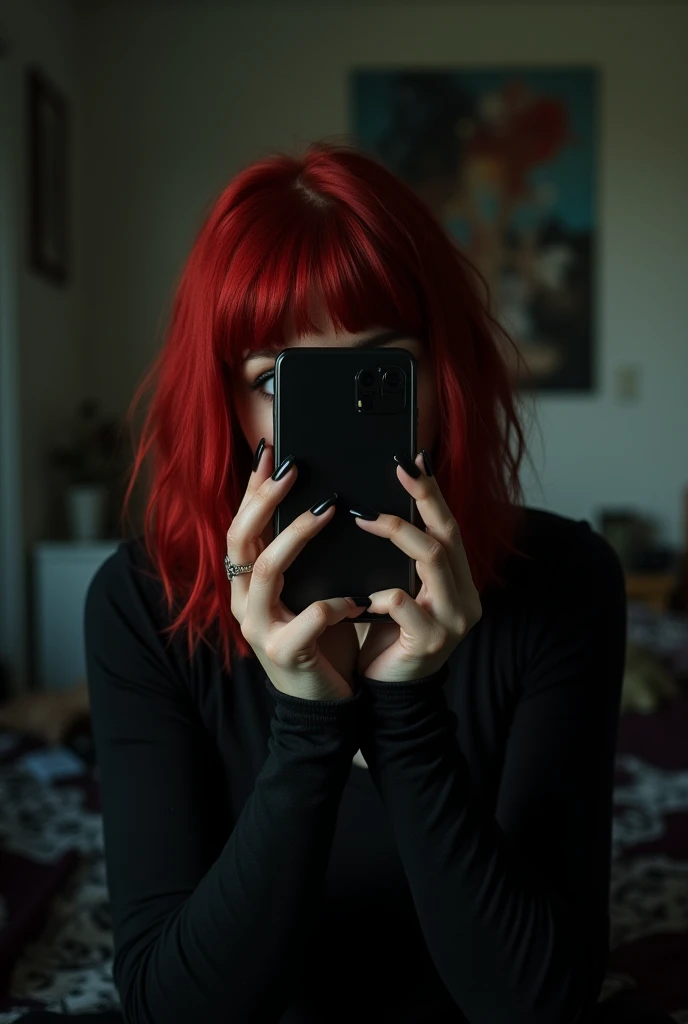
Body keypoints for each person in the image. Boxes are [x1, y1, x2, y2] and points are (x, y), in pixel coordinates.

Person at [44, 143, 672, 1024]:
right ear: (223, 400)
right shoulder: (140, 602)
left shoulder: (567, 580)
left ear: (442, 377)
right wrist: (309, 721)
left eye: (379, 375)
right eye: (279, 381)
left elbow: (540, 1002)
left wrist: (405, 709)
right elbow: (170, 1004)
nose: (333, 428)